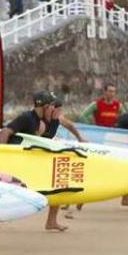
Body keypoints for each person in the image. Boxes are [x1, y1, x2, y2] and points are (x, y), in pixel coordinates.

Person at [40, 95, 87, 227]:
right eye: (59, 110)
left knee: (58, 185)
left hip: (49, 157)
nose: (61, 114)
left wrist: (80, 138)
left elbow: (69, 125)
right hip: (35, 158)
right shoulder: (39, 121)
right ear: (51, 109)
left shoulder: (58, 118)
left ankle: (51, 221)